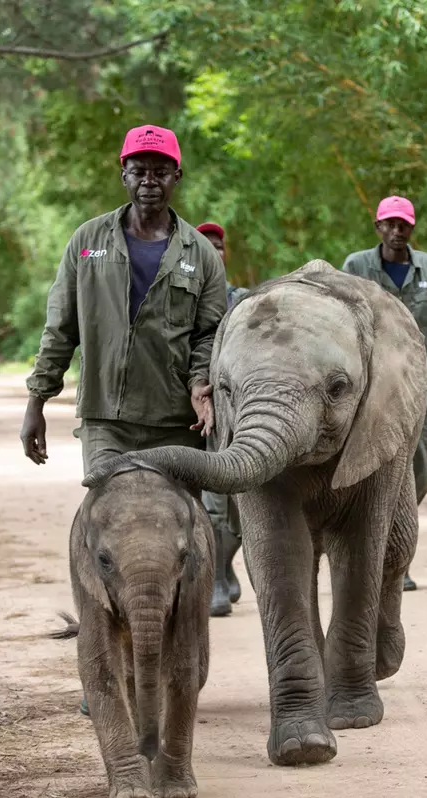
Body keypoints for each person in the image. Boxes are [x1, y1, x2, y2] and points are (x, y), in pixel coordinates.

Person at [19, 124, 227, 713]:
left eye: (160, 169)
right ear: (123, 173)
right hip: (107, 421)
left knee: (182, 544)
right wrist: (38, 399)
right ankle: (109, 674)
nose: (149, 178)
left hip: (176, 427)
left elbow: (210, 333)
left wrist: (201, 386)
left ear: (176, 176)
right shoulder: (87, 242)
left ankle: (180, 671)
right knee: (109, 539)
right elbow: (60, 326)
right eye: (138, 168)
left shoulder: (201, 255)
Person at [341, 195, 427, 591]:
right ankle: (391, 558)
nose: (397, 231)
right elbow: (340, 323)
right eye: (390, 224)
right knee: (375, 471)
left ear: (412, 229)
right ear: (377, 227)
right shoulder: (356, 267)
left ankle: (391, 544)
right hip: (369, 390)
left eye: (404, 225)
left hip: (418, 387)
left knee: (420, 468)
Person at [195, 221, 247, 617]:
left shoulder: (243, 301)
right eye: (204, 246)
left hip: (243, 413)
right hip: (201, 415)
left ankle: (225, 563)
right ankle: (213, 579)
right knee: (213, 500)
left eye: (219, 246)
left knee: (243, 503)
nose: (213, 251)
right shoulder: (181, 298)